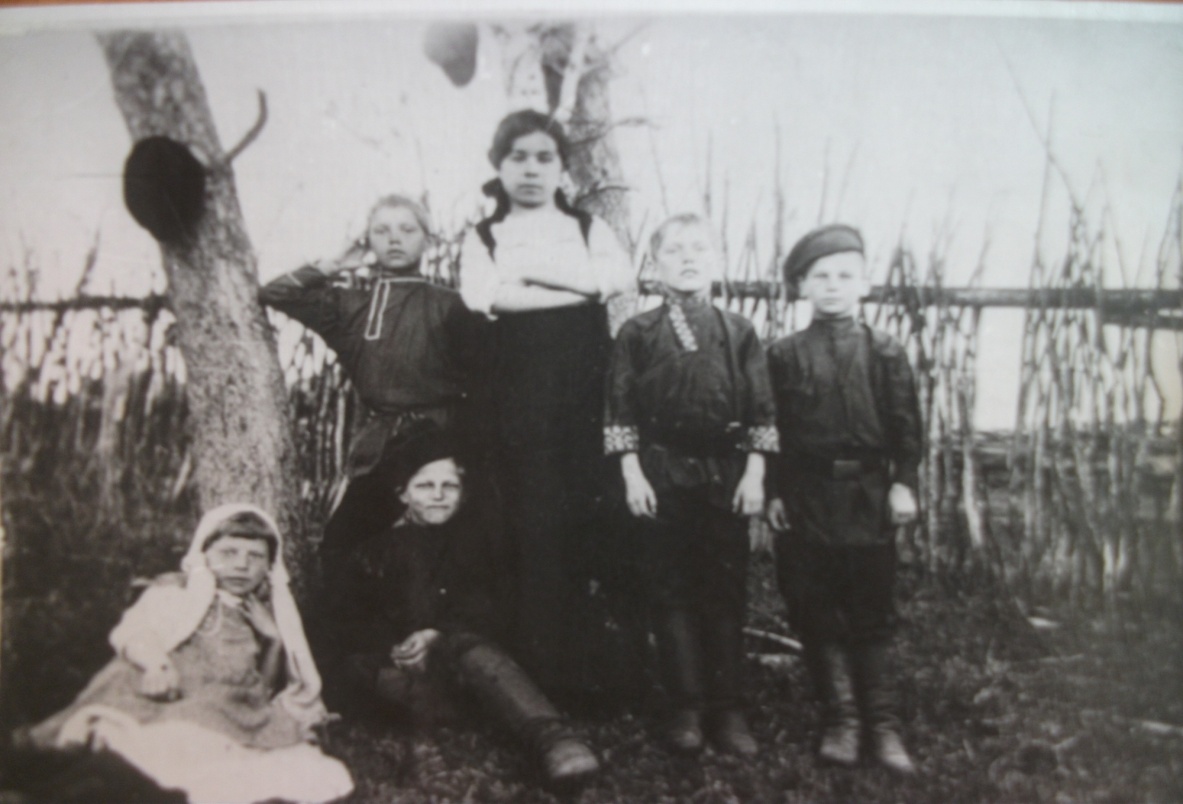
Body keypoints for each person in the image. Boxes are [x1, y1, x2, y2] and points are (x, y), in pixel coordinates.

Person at [458, 110, 636, 701]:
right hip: (517, 403)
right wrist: (573, 284)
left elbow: (611, 280)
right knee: (531, 527)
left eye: (544, 158)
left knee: (592, 521)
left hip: (586, 397)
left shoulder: (589, 228)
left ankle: (603, 669)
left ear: (562, 168)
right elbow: (485, 296)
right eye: (518, 157)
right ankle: (541, 674)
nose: (531, 169)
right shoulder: (482, 238)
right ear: (498, 166)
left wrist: (529, 276)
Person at [323, 421, 601, 786]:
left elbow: (486, 606)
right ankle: (472, 716)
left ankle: (553, 739)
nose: (438, 495)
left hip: (457, 661)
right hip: (397, 666)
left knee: (470, 647)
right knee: (372, 674)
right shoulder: (373, 552)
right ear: (402, 494)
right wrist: (397, 647)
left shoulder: (473, 546)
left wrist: (436, 634)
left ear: (463, 494)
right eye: (424, 486)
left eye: (448, 486)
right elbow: (348, 618)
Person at [21, 504, 354, 804]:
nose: (241, 565)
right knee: (153, 748)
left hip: (224, 710)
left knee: (296, 771)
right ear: (205, 555)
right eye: (229, 552)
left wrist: (272, 640)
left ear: (269, 565)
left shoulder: (260, 613)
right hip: (166, 692)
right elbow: (138, 631)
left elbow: (257, 689)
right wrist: (156, 664)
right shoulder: (179, 593)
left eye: (254, 556)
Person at [603, 213, 779, 756]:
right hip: (660, 473)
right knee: (670, 590)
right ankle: (686, 708)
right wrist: (632, 472)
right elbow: (619, 409)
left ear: (715, 260)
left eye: (697, 248)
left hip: (724, 476)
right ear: (654, 266)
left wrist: (753, 472)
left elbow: (761, 409)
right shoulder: (637, 333)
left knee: (723, 590)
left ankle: (727, 711)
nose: (687, 257)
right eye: (673, 250)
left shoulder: (739, 331)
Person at [765, 223, 922, 774]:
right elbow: (772, 431)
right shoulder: (782, 355)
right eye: (820, 276)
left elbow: (908, 429)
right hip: (806, 497)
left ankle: (882, 725)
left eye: (844, 276)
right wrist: (774, 493)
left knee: (871, 608)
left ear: (864, 284)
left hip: (869, 497)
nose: (832, 286)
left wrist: (902, 483)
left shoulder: (885, 352)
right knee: (813, 606)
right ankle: (842, 720)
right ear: (801, 286)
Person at [260, 194, 485, 561]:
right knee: (342, 547)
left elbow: (482, 379)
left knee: (455, 547)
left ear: (427, 239)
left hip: (442, 441)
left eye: (407, 229)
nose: (394, 239)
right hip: (383, 446)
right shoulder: (348, 306)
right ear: (367, 241)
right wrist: (334, 264)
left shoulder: (450, 304)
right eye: (381, 231)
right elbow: (275, 292)